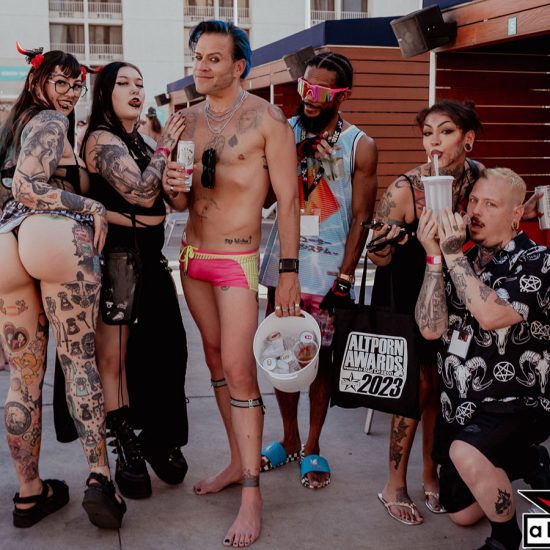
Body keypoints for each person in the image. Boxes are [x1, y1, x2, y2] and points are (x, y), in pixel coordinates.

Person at [163, 20, 300, 547]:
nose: (200, 65)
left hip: (238, 262)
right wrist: (171, 182)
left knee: (241, 372)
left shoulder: (269, 119)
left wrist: (287, 271)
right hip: (192, 257)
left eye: (213, 58)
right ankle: (236, 462)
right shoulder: (186, 120)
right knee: (217, 366)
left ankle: (251, 492)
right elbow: (180, 199)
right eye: (198, 56)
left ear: (239, 65)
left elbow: (289, 201)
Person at [0, 44, 125, 528]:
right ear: (38, 82)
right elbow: (27, 185)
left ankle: (29, 494)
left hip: (7, 243)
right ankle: (100, 479)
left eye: (77, 85)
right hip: (51, 235)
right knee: (78, 363)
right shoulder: (51, 121)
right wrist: (90, 206)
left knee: (23, 376)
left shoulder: (12, 128)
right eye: (62, 82)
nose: (71, 93)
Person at [68, 61, 189, 499]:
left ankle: (157, 435)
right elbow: (139, 191)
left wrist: (173, 170)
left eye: (140, 83)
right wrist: (165, 147)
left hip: (149, 256)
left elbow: (166, 198)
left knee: (167, 348)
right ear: (104, 92)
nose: (135, 89)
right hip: (116, 257)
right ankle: (126, 446)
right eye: (123, 83)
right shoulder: (101, 139)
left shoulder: (139, 139)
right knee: (114, 357)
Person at [258, 52, 378, 489]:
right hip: (285, 266)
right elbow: (265, 200)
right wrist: (294, 157)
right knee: (280, 356)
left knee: (320, 362)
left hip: (328, 272)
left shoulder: (360, 145)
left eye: (321, 92)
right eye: (305, 88)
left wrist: (345, 277)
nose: (309, 98)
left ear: (342, 96)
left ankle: (312, 444)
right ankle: (288, 438)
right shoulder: (283, 132)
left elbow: (362, 217)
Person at [415, 167, 550, 550]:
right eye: (473, 200)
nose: (475, 211)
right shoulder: (462, 259)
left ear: (516, 213)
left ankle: (507, 539)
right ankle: (528, 462)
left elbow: (491, 315)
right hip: (460, 406)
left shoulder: (538, 260)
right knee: (461, 513)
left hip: (516, 401)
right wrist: (435, 257)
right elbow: (430, 328)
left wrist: (452, 254)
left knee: (465, 452)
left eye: (490, 204)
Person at [369, 99, 484, 525]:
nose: (433, 141)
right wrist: (390, 241)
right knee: (415, 387)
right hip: (407, 293)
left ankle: (430, 473)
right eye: (427, 133)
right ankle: (394, 484)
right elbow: (376, 256)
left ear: (468, 140)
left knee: (441, 385)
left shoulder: (481, 181)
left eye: (445, 131)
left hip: (459, 294)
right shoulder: (406, 189)